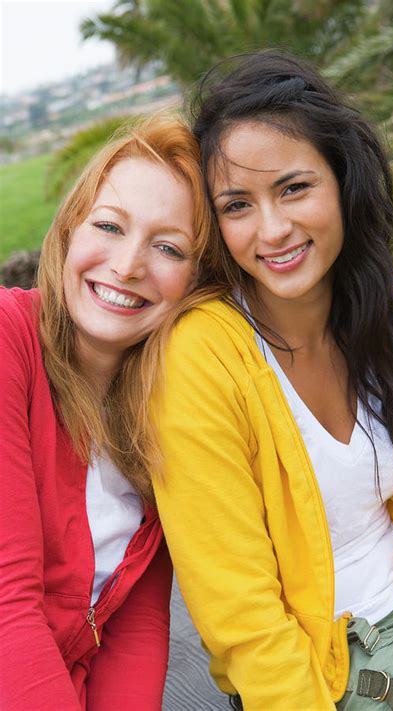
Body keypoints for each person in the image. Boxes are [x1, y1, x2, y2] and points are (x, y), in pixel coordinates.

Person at [151, 52, 393, 711]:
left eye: (294, 188)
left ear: (341, 179)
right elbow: (239, 613)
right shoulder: (202, 356)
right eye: (238, 205)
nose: (272, 229)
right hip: (328, 661)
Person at [0, 114, 212, 711]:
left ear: (198, 281)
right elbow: (7, 606)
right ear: (70, 230)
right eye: (110, 226)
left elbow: (135, 624)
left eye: (168, 246)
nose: (127, 265)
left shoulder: (165, 408)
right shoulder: (7, 340)